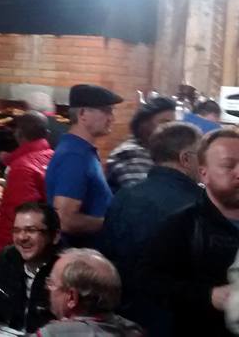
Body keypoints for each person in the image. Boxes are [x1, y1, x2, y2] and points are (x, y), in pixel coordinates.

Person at [98, 122, 202, 336]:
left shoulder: (124, 197)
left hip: (127, 317)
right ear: (185, 158)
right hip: (178, 320)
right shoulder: (198, 204)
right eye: (201, 155)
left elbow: (108, 257)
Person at [138, 129, 239, 336]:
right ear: (204, 173)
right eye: (228, 166)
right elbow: (150, 282)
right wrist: (209, 296)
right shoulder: (182, 226)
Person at [45, 84, 122, 247]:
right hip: (77, 256)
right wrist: (113, 222)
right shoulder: (75, 155)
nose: (112, 118)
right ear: (82, 114)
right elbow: (64, 220)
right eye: (106, 111)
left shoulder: (80, 151)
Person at [0, 111, 54, 265]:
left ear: (18, 134)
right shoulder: (54, 157)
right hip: (47, 248)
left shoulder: (22, 168)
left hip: (24, 256)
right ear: (47, 134)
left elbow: (17, 221)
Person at [0, 202, 62, 333]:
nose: (22, 237)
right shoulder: (5, 260)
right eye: (16, 230)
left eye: (31, 230)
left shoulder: (65, 272)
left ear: (55, 236)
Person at [38, 248, 143, 336]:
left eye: (51, 283)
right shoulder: (133, 330)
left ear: (72, 297)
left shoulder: (54, 333)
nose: (47, 287)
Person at [104, 97, 177, 192]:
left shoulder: (154, 152)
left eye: (173, 124)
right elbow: (146, 194)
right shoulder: (131, 152)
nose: (171, 129)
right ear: (143, 124)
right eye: (164, 122)